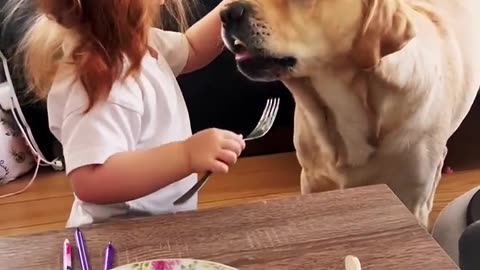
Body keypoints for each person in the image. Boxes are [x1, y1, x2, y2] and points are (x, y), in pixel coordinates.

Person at [15, 0, 245, 227]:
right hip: (118, 236)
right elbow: (91, 181)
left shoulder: (137, 43)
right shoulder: (104, 79)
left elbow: (192, 48)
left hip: (155, 225)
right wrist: (186, 155)